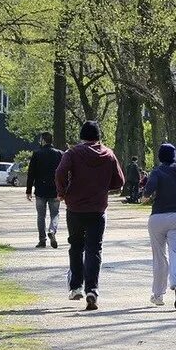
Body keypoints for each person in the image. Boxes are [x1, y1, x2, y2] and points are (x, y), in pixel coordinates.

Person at [55, 120, 125, 311]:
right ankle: (92, 289)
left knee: (76, 246)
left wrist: (62, 192)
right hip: (98, 208)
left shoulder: (73, 153)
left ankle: (76, 286)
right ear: (98, 136)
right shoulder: (108, 154)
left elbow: (60, 172)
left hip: (75, 207)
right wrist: (103, 187)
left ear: (82, 136)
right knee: (94, 249)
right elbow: (119, 181)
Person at [143, 143, 176, 310]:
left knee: (159, 257)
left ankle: (158, 295)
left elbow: (148, 191)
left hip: (157, 217)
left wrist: (145, 198)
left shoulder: (157, 172)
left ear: (160, 157)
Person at [25, 132, 64, 248]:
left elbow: (31, 173)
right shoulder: (59, 154)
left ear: (42, 140)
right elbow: (63, 173)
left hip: (40, 190)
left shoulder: (37, 154)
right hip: (55, 190)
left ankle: (42, 240)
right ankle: (52, 230)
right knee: (55, 214)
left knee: (41, 216)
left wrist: (28, 190)